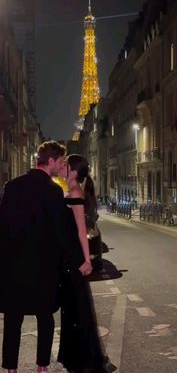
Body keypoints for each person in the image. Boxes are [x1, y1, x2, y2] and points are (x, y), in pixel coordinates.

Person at [0, 141, 86, 373]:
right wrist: (80, 260)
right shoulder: (52, 191)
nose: (61, 166)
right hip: (43, 266)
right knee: (44, 317)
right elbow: (62, 232)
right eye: (59, 162)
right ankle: (41, 366)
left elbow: (2, 226)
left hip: (14, 266)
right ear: (50, 161)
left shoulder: (12, 186)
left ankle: (11, 368)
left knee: (12, 319)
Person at [57, 154, 108, 373]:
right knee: (73, 306)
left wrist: (86, 259)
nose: (61, 167)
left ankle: (83, 357)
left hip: (75, 259)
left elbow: (80, 228)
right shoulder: (72, 190)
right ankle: (77, 355)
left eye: (65, 164)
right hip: (70, 258)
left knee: (77, 307)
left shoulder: (75, 190)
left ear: (73, 170)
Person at [84, 175, 102, 270]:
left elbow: (94, 213)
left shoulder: (90, 197)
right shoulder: (90, 196)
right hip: (88, 226)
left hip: (88, 226)